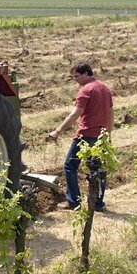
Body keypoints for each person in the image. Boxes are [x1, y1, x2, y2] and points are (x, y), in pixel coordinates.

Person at [47, 62, 114, 211]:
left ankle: (73, 201)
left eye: (76, 76)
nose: (75, 80)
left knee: (70, 166)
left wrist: (57, 131)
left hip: (86, 135)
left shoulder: (86, 90)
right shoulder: (105, 88)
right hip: (101, 136)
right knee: (99, 170)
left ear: (86, 73)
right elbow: (110, 113)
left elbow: (74, 114)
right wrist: (108, 135)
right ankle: (98, 204)